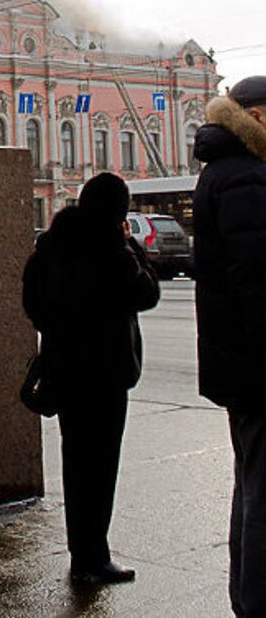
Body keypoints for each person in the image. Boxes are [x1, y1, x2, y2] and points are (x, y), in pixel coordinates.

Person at [22, 172, 160, 585]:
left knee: (76, 463)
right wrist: (126, 242)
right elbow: (147, 292)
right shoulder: (109, 247)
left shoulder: (53, 242)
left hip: (66, 371)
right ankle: (92, 558)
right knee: (100, 468)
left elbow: (32, 300)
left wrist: (59, 329)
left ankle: (81, 554)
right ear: (117, 211)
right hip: (106, 375)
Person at [193, 76, 266, 618]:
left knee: (252, 485)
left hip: (241, 365)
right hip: (259, 366)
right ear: (257, 118)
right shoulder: (246, 179)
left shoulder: (226, 172)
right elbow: (258, 283)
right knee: (263, 494)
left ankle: (248, 596)